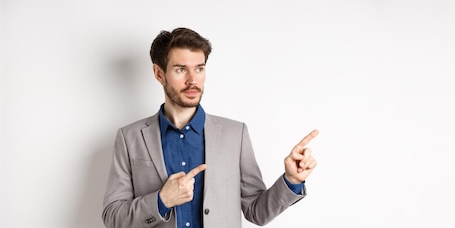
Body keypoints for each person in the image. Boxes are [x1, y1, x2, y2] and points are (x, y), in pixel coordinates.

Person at [102, 27, 319, 228]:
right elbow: (113, 217)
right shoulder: (129, 137)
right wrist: (162, 201)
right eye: (180, 70)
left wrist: (292, 180)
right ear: (159, 74)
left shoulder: (236, 134)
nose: (192, 80)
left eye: (199, 68)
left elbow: (257, 212)